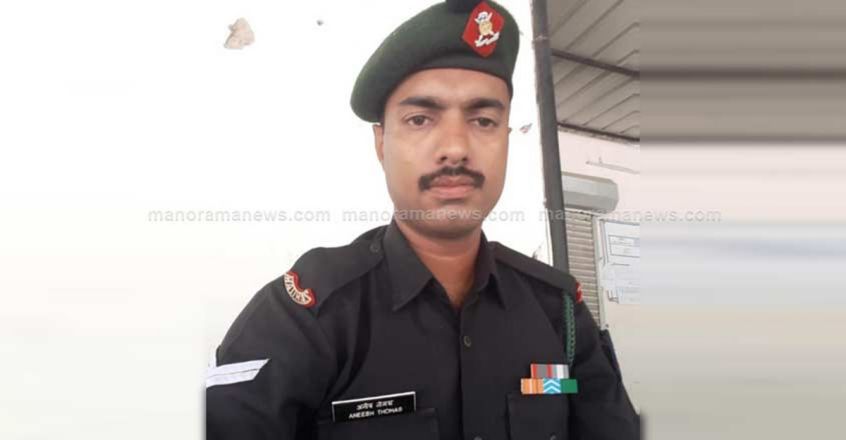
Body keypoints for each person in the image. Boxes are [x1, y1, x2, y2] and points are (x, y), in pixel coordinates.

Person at [205, 0, 640, 438]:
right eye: (420, 119)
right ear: (381, 143)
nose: (456, 148)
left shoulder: (559, 314)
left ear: (507, 139)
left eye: (484, 120)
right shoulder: (307, 317)